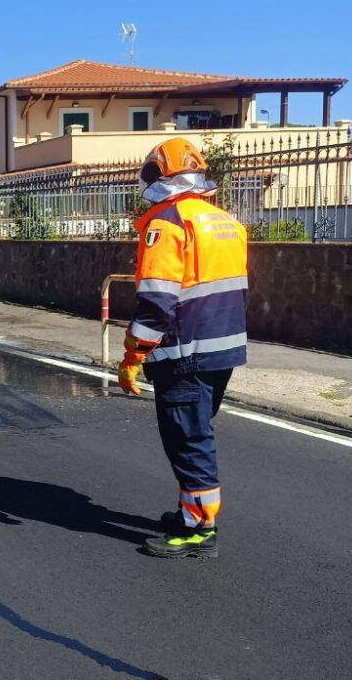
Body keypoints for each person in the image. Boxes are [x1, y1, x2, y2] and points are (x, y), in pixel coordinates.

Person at [117, 137, 248, 559]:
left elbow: (157, 301)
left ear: (158, 175)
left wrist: (133, 356)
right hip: (222, 349)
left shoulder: (168, 224)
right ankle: (189, 513)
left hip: (184, 353)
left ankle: (199, 531)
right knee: (195, 432)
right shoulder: (225, 222)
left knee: (187, 439)